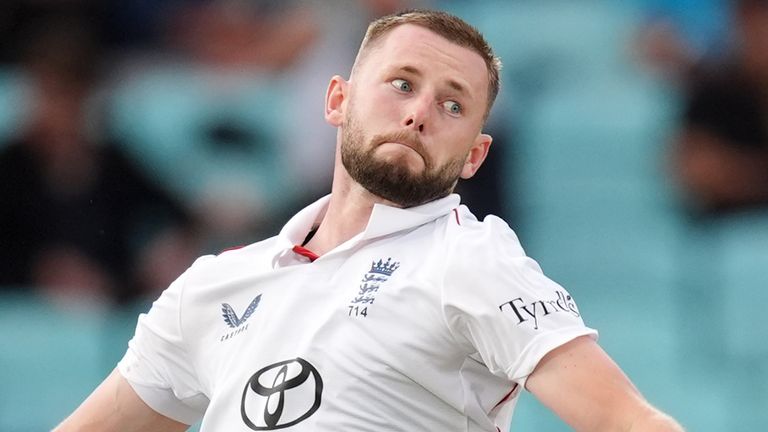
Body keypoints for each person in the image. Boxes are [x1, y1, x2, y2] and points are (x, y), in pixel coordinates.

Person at [55, 9, 684, 431]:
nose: (419, 114)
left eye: (452, 104)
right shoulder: (211, 287)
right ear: (338, 99)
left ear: (474, 155)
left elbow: (629, 422)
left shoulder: (474, 260)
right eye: (402, 84)